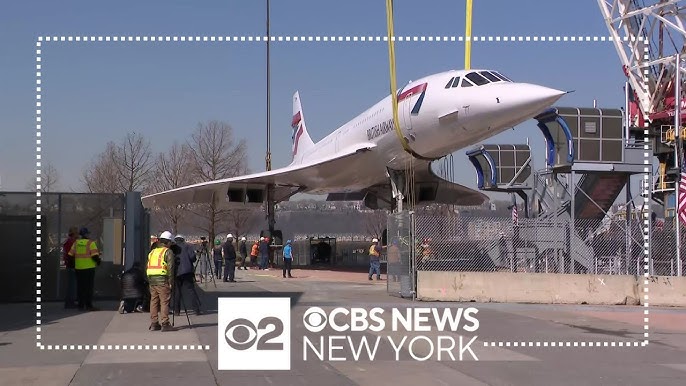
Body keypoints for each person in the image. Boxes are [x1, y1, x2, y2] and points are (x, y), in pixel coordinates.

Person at [147, 231, 176, 332]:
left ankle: (154, 323)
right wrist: (171, 282)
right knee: (164, 301)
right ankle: (165, 323)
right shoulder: (168, 252)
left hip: (151, 279)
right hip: (162, 279)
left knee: (154, 301)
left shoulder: (153, 252)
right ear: (168, 242)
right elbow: (170, 268)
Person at [68, 227, 101, 311]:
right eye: (88, 233)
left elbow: (70, 255)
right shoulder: (91, 243)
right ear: (86, 234)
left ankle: (80, 305)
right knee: (89, 288)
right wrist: (98, 262)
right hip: (89, 268)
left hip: (79, 269)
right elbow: (95, 256)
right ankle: (89, 305)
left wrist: (73, 265)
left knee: (80, 287)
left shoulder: (76, 243)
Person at [173, 235, 201, 316]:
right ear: (183, 239)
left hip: (177, 272)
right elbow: (192, 258)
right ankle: (196, 310)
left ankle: (177, 311)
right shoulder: (188, 246)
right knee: (191, 290)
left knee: (177, 292)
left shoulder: (173, 247)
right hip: (187, 271)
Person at [62, 226, 79, 309]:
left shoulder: (69, 241)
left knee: (71, 285)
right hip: (72, 265)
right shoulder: (71, 242)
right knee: (72, 285)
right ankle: (70, 302)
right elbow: (71, 255)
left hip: (71, 265)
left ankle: (70, 302)